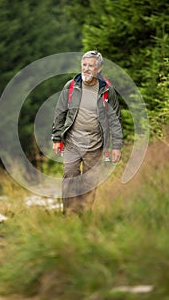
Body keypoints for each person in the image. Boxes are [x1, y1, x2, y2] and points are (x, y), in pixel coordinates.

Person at [51, 51, 123, 215]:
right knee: (70, 176)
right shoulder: (70, 86)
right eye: (84, 65)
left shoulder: (107, 91)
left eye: (91, 65)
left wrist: (117, 146)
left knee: (89, 181)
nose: (86, 69)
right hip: (72, 142)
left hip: (95, 144)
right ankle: (68, 213)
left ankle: (84, 214)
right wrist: (56, 138)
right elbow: (60, 113)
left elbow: (115, 120)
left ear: (99, 68)